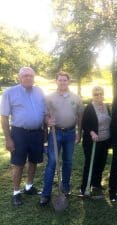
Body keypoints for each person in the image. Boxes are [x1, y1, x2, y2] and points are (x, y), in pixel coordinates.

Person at [0, 67, 46, 206]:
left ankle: (29, 186)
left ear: (34, 77)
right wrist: (8, 139)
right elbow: (3, 117)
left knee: (34, 161)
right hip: (19, 133)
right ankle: (16, 192)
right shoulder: (10, 93)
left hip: (37, 132)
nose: (28, 78)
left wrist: (45, 132)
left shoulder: (39, 91)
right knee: (18, 163)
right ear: (19, 78)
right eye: (25, 76)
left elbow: (44, 113)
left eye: (31, 76)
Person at [40, 71, 83, 205]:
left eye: (65, 80)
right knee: (52, 162)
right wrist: (48, 121)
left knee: (68, 161)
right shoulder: (49, 98)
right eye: (60, 80)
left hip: (70, 133)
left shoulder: (76, 98)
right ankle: (46, 194)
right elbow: (45, 115)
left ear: (68, 82)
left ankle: (65, 188)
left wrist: (79, 132)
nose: (62, 82)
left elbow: (80, 116)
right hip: (55, 133)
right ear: (56, 81)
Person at [80, 86, 111, 195]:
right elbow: (84, 124)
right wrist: (92, 132)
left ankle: (96, 183)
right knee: (90, 164)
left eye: (100, 94)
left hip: (105, 140)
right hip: (92, 141)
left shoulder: (107, 106)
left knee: (101, 163)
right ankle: (84, 187)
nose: (99, 96)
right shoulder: (89, 107)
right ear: (92, 96)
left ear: (103, 95)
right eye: (96, 94)